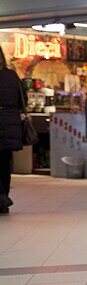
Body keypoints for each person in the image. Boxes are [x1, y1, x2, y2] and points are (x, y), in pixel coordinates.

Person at [0, 48, 27, 214]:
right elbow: (23, 98)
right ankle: (3, 199)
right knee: (4, 164)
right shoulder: (12, 76)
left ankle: (2, 196)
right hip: (10, 123)